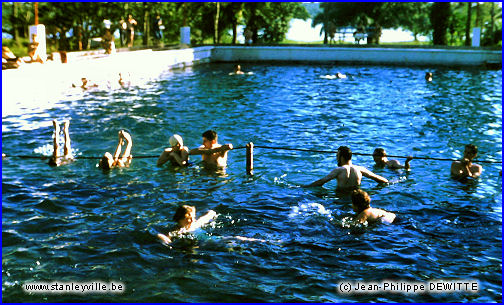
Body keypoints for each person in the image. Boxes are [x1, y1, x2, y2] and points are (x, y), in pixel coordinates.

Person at [303, 146, 388, 190]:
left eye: (337, 156)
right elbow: (381, 180)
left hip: (340, 197)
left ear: (342, 157)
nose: (337, 158)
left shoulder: (339, 170)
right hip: (355, 199)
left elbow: (321, 182)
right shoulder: (360, 169)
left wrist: (304, 187)